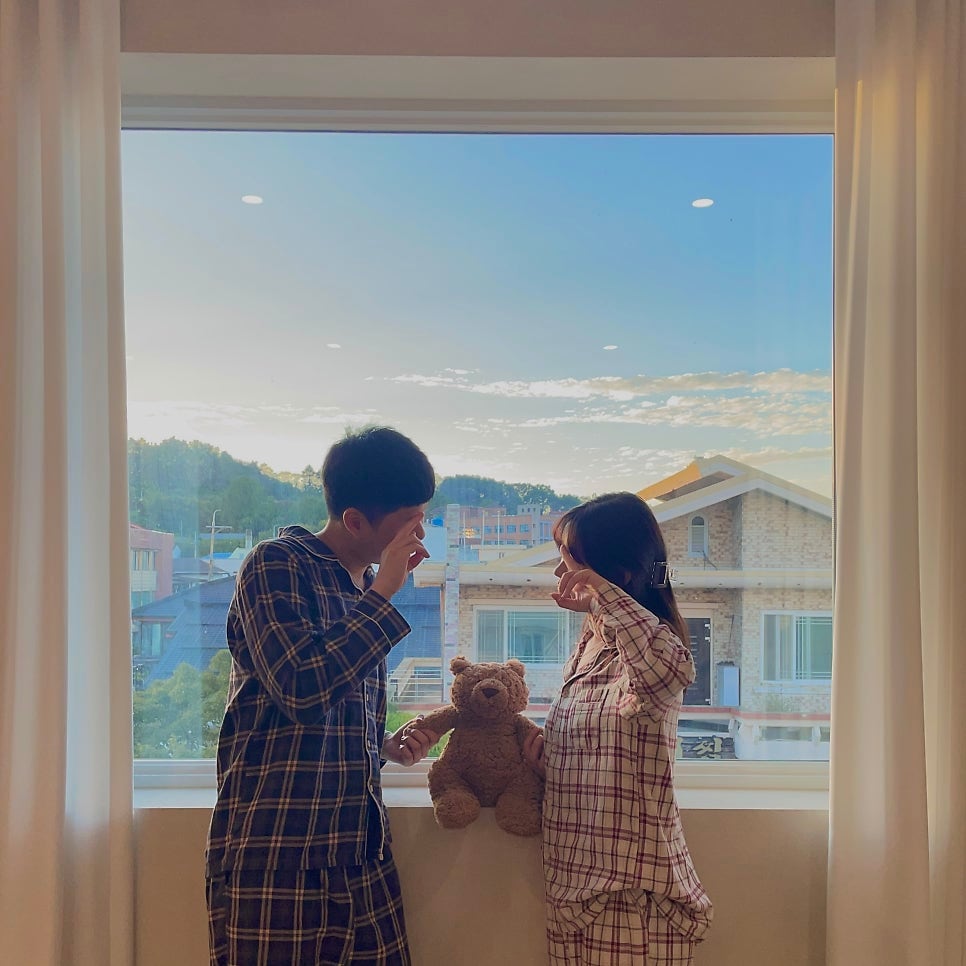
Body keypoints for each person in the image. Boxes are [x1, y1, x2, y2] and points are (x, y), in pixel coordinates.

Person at [205, 426, 439, 966]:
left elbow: (329, 707)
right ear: (354, 520)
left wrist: (381, 745)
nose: (420, 535)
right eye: (409, 523)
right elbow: (301, 689)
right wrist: (384, 594)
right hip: (275, 855)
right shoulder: (277, 564)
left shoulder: (363, 589)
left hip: (360, 852)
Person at [523, 492, 713, 966]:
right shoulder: (591, 647)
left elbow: (668, 671)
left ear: (619, 576)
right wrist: (551, 764)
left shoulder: (656, 648)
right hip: (575, 892)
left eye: (572, 559)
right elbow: (610, 755)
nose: (560, 571)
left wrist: (605, 598)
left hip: (630, 899)